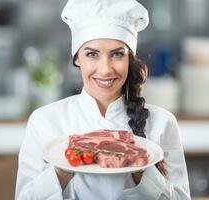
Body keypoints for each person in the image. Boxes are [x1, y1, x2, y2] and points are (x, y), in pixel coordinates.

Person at [15, 0, 191, 199]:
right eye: (92, 54)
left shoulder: (162, 123)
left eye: (117, 54)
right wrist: (62, 170)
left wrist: (139, 168)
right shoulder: (44, 121)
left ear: (129, 59)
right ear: (77, 59)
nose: (106, 69)